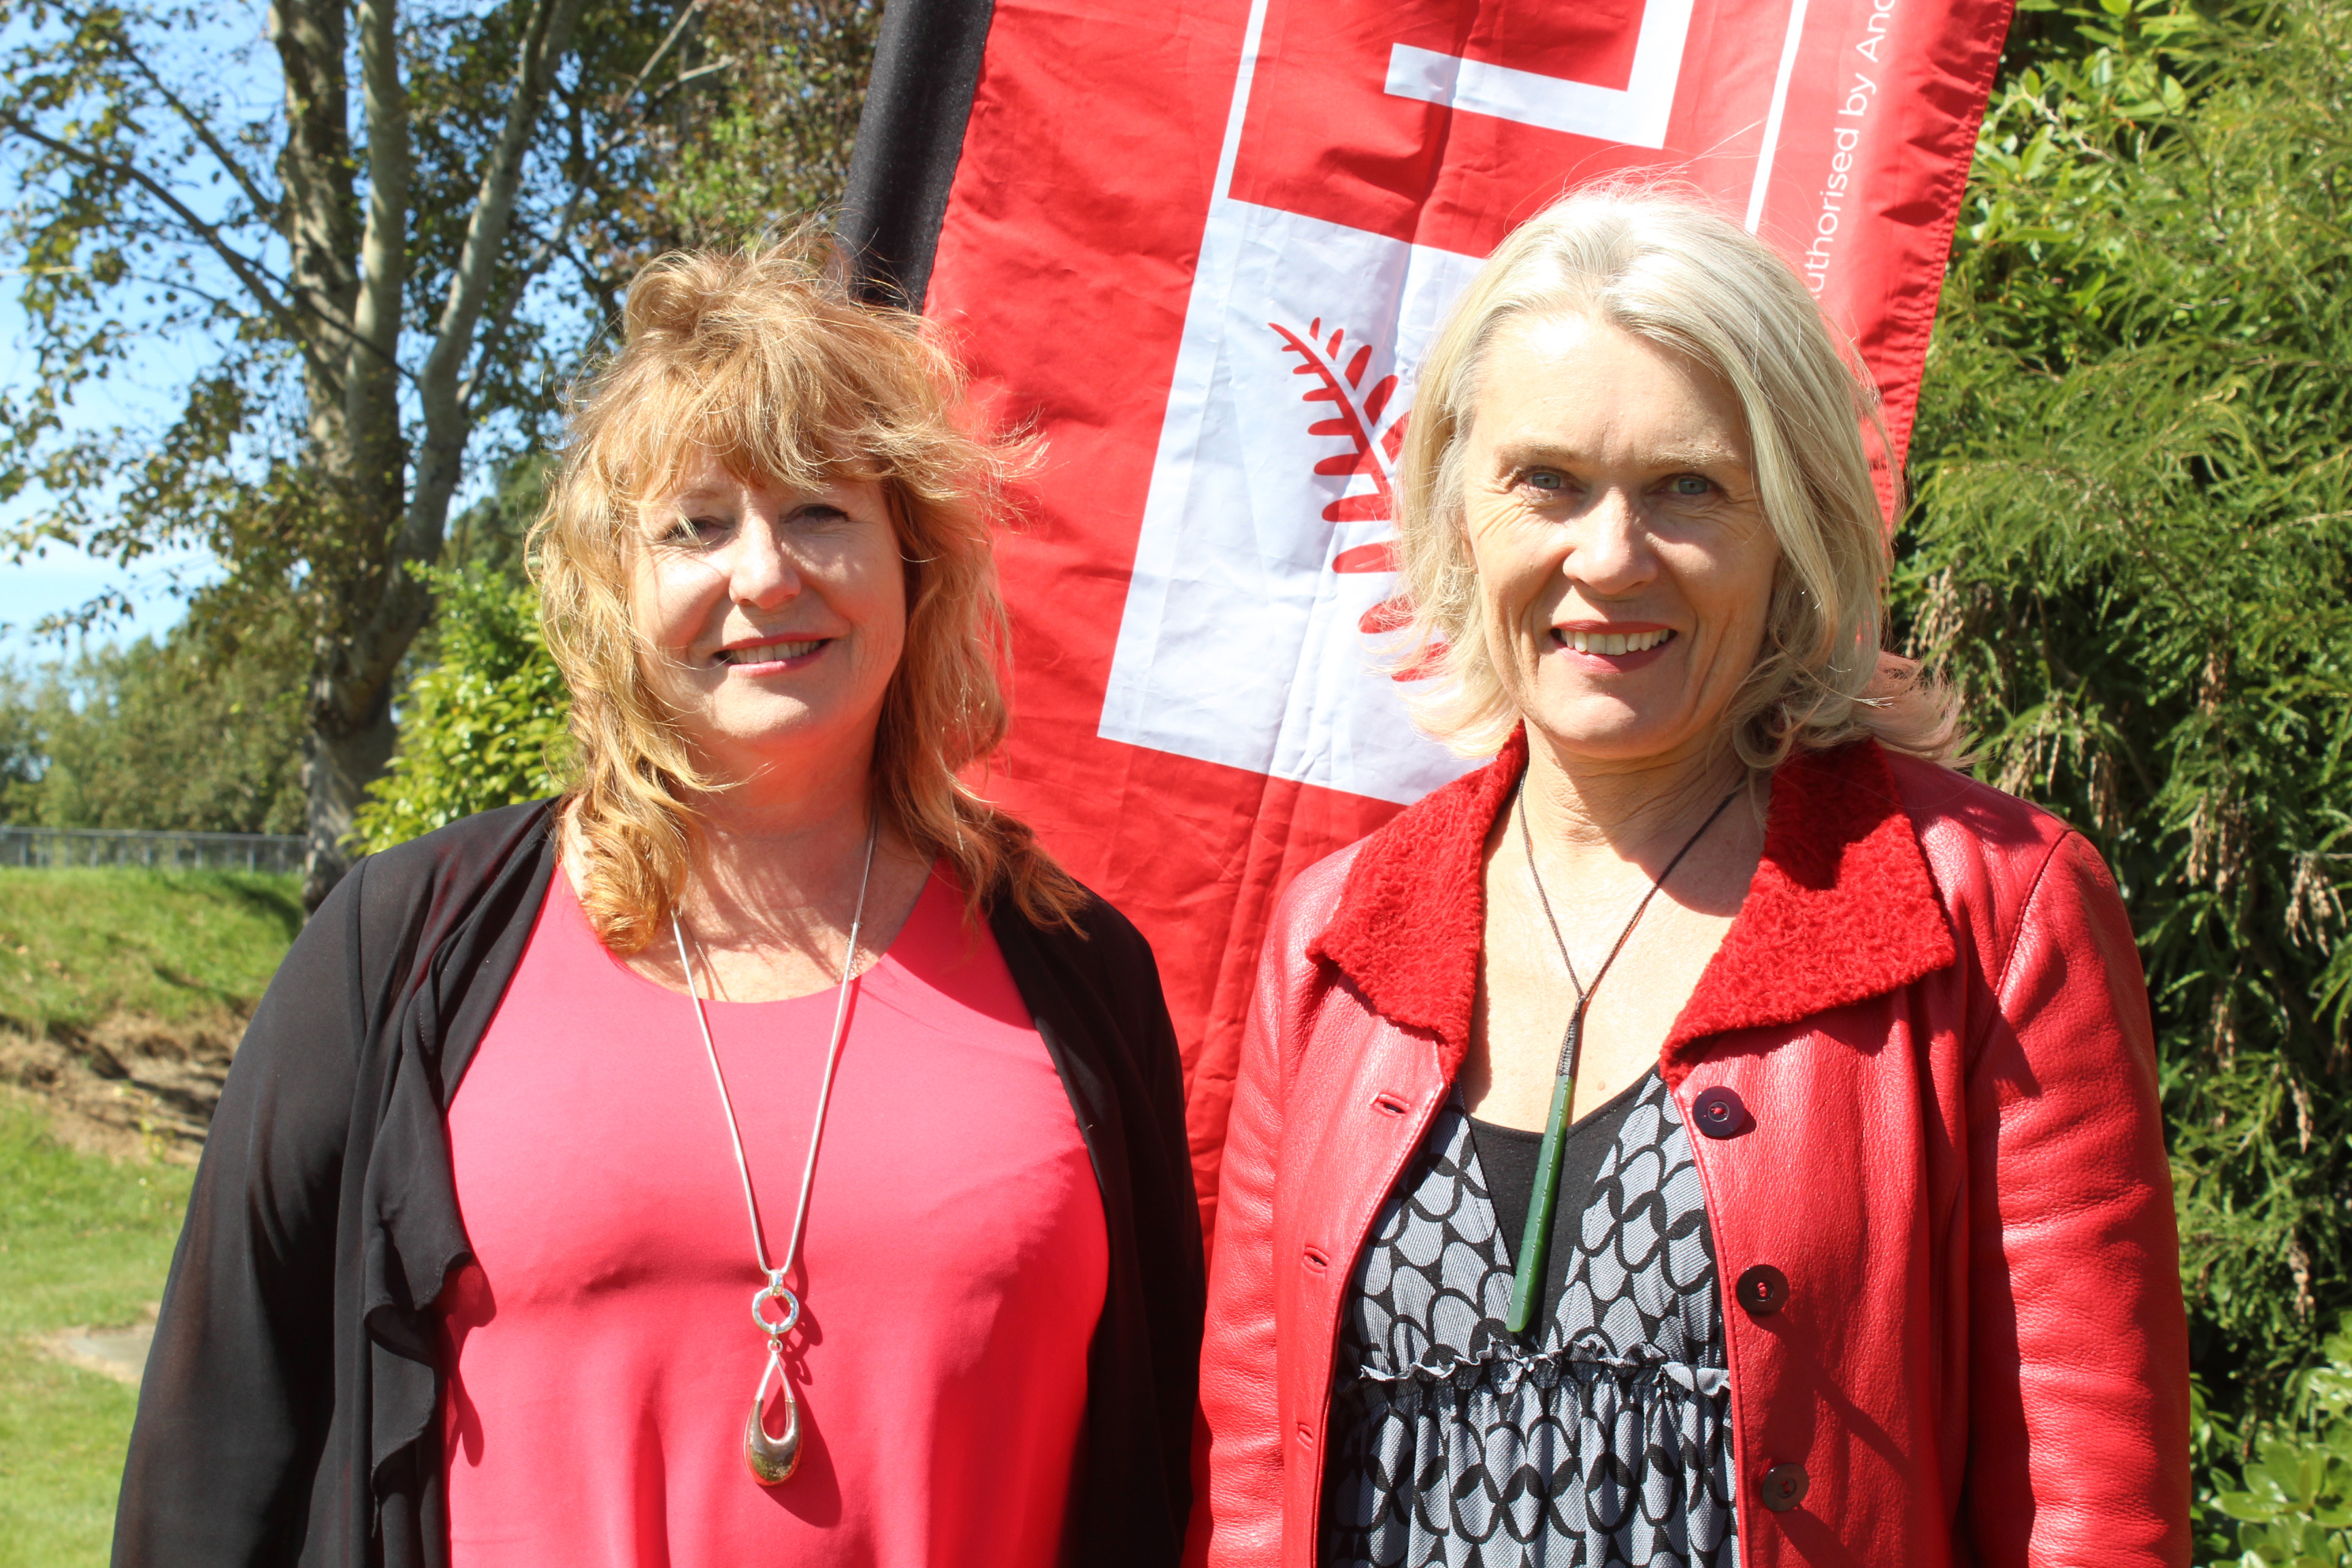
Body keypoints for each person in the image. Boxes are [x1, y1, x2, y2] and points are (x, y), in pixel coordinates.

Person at [113, 241, 1203, 1568]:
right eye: (696, 525)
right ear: (612, 591)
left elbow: (1167, 1448)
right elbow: (223, 1454)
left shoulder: (1082, 977)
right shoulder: (401, 952)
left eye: (820, 511)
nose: (763, 574)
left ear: (914, 570)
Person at [1192, 191, 2189, 1568]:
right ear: (1456, 512)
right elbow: (1252, 1479)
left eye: (1688, 488)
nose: (1608, 559)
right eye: (1547, 481)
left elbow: (2090, 1511)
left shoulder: (1998, 911)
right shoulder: (1333, 940)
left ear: (1790, 524)